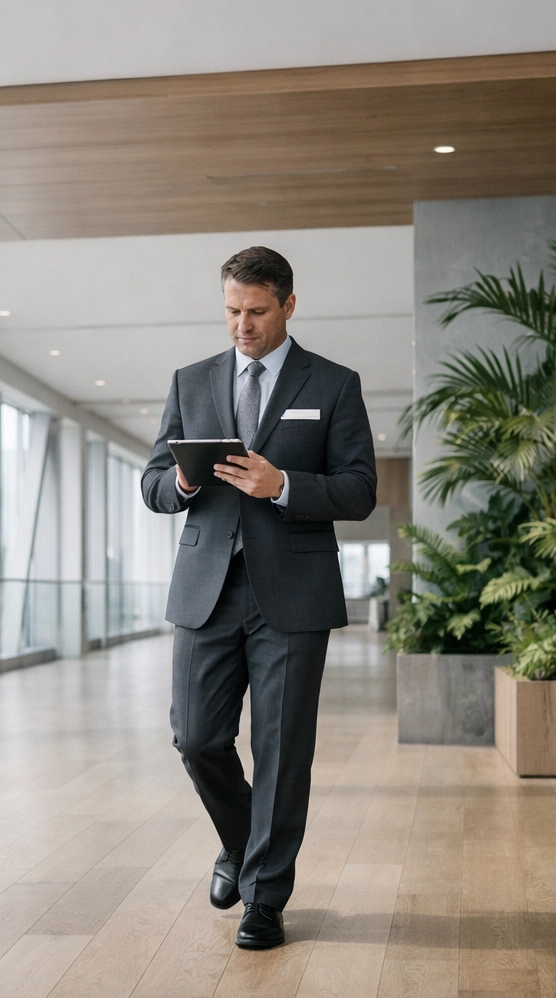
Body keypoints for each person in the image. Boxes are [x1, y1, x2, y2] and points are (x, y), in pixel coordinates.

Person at [141, 246, 376, 950]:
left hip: (293, 595)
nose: (241, 325)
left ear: (288, 306)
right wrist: (182, 484)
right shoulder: (191, 380)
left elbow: (361, 489)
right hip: (207, 590)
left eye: (256, 311)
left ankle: (264, 899)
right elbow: (154, 484)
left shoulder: (333, 384)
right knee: (197, 737)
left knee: (280, 749)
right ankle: (242, 846)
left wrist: (285, 486)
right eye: (231, 311)